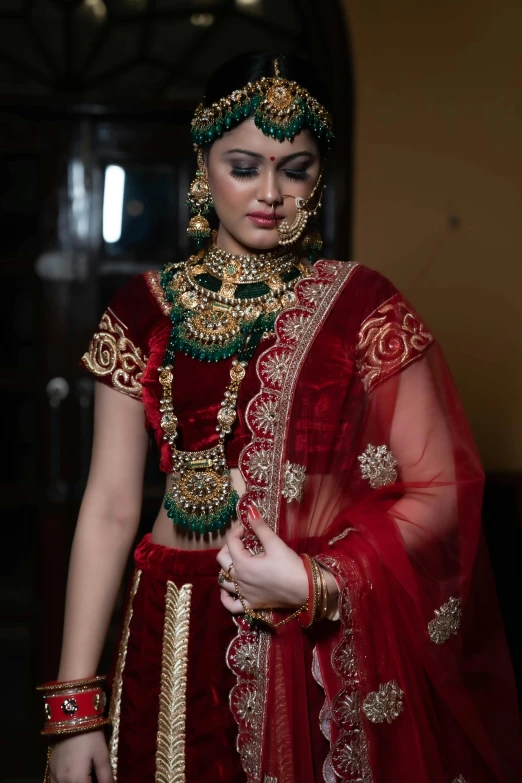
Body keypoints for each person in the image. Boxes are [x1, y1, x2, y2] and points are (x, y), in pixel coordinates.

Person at [40, 52, 521, 783]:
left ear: (318, 178)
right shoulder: (141, 309)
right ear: (203, 165)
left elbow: (443, 491)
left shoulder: (364, 308)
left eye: (294, 169)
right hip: (166, 623)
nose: (270, 192)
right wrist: (76, 707)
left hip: (294, 626)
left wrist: (315, 582)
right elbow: (108, 507)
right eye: (243, 165)